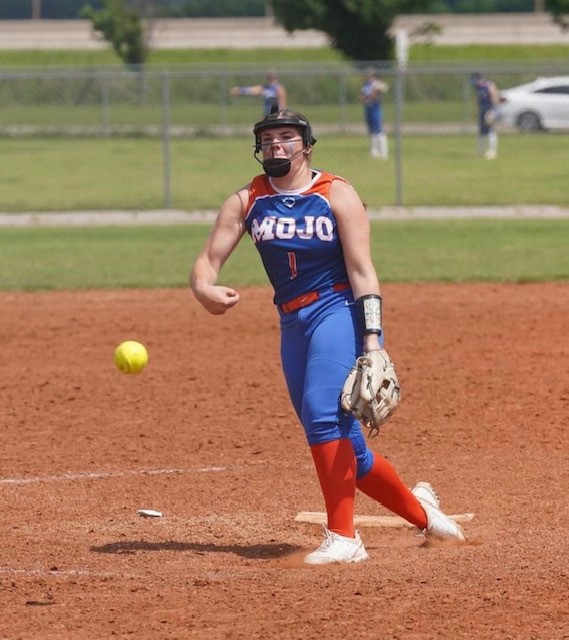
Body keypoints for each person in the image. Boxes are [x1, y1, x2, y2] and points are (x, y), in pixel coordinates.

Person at [189, 109, 467, 565]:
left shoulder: (336, 193)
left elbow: (362, 271)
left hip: (338, 311)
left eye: (286, 137)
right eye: (268, 138)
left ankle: (344, 537)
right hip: (292, 322)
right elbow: (207, 262)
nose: (276, 145)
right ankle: (426, 516)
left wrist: (373, 339)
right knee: (347, 447)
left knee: (322, 416)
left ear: (307, 146)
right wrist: (203, 288)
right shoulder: (247, 200)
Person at [359, 68, 389, 159]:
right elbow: (362, 97)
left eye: (371, 75)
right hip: (368, 109)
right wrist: (368, 96)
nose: (369, 77)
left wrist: (373, 93)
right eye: (368, 75)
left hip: (375, 109)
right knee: (371, 131)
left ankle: (384, 152)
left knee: (379, 130)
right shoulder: (366, 85)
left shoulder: (377, 84)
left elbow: (375, 96)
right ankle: (374, 151)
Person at [471, 72, 501, 160]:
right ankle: (480, 151)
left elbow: (495, 97)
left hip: (490, 109)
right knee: (482, 131)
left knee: (490, 129)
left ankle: (493, 151)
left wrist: (493, 111)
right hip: (482, 110)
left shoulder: (489, 86)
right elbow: (478, 100)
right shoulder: (478, 88)